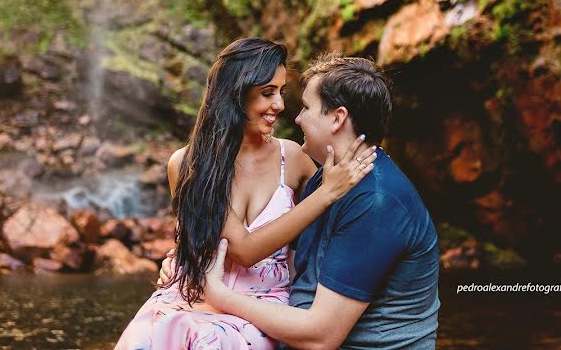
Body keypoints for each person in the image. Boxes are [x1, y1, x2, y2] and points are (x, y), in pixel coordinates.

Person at [113, 39, 377, 350]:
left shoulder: (293, 159)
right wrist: (177, 258)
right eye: (268, 93)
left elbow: (338, 227)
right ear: (235, 93)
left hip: (262, 303)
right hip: (192, 295)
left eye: (281, 92)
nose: (279, 105)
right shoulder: (187, 164)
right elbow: (232, 247)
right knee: (147, 336)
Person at [201, 54, 440, 349]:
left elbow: (321, 336)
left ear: (337, 118)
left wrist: (220, 295)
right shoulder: (326, 179)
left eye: (306, 107)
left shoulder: (379, 201)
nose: (296, 117)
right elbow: (290, 264)